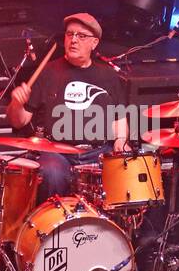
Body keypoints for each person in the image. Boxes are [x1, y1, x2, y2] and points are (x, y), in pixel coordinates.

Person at [7, 13, 130, 199]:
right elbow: (20, 121)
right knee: (51, 173)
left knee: (125, 171)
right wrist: (16, 104)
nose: (73, 40)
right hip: (57, 152)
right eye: (69, 34)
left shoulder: (108, 76)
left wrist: (121, 141)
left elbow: (119, 117)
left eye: (81, 36)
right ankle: (53, 226)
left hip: (97, 151)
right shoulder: (48, 71)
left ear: (94, 43)